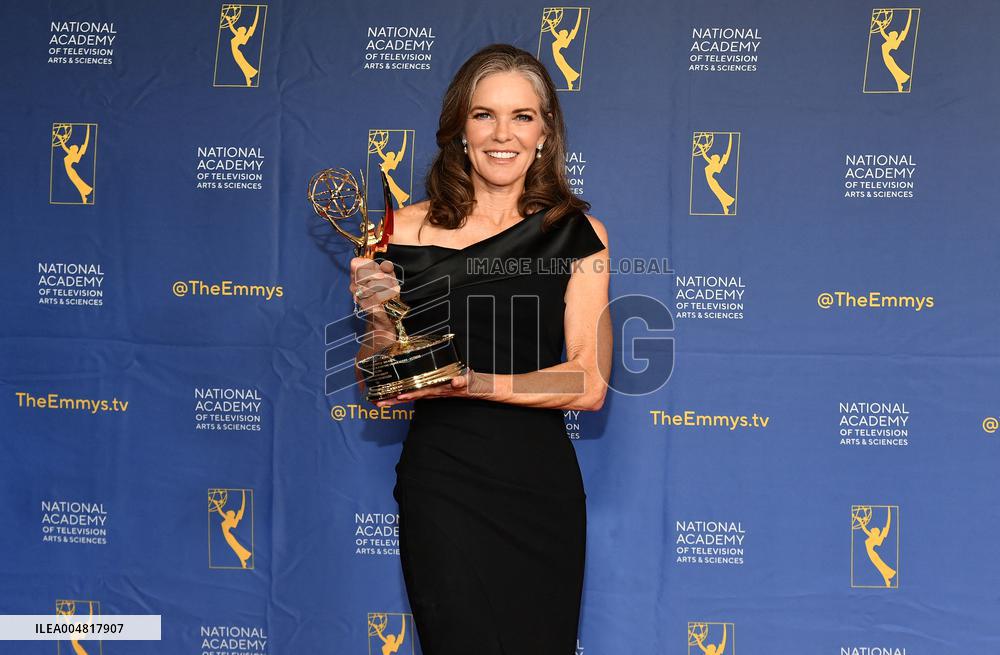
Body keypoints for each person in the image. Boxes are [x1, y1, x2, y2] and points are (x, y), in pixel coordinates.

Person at [349, 43, 611, 655]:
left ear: (546, 133)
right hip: (443, 484)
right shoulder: (395, 234)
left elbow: (589, 384)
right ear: (459, 130)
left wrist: (471, 381)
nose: (503, 134)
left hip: (537, 489)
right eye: (484, 114)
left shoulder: (579, 234)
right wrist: (378, 323)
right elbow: (376, 384)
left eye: (522, 116)